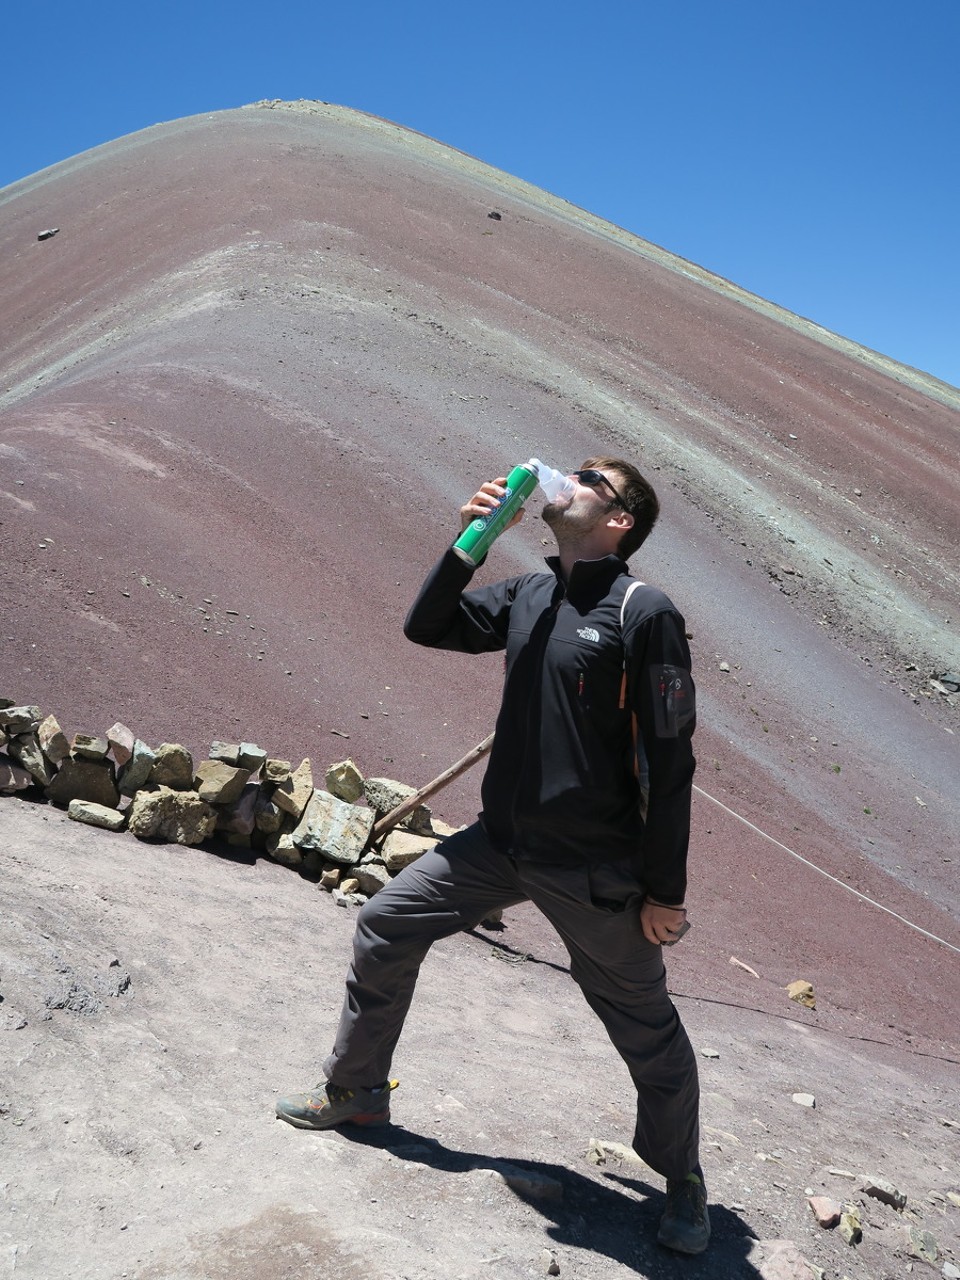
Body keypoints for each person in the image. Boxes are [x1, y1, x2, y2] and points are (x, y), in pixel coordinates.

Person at [276, 457, 710, 1255]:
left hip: (596, 869)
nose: (570, 482)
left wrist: (665, 893)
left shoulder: (644, 613)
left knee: (644, 1027)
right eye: (573, 471)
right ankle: (359, 1092)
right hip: (498, 847)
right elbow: (427, 626)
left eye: (593, 482)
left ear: (619, 521)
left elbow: (673, 762)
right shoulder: (532, 592)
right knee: (384, 923)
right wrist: (475, 538)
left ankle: (682, 1179)